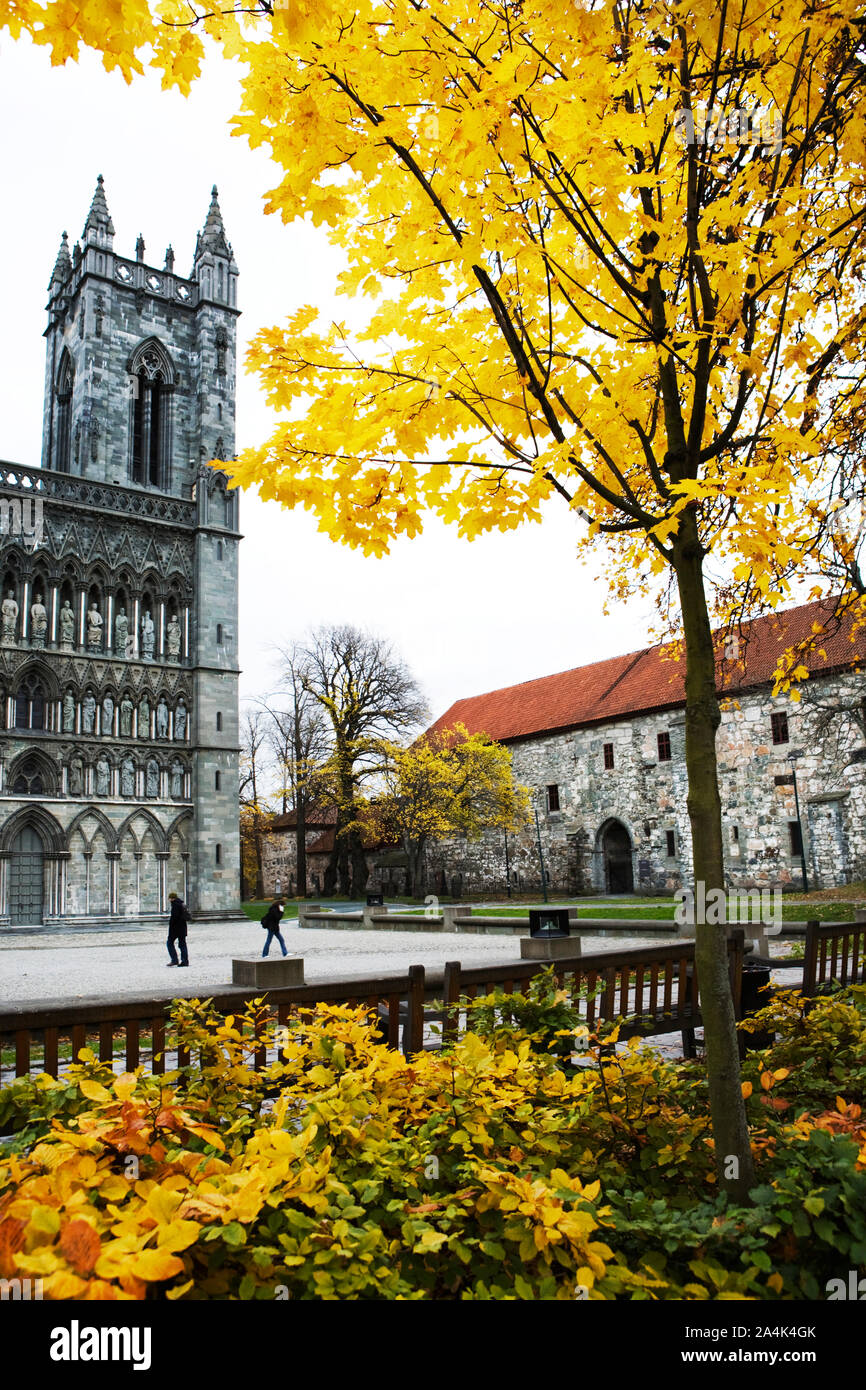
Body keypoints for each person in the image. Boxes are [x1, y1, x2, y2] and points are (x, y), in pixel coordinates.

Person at [166, 890, 190, 967]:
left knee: (169, 943)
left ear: (171, 898)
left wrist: (171, 925)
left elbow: (174, 918)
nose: (169, 900)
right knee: (182, 944)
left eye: (169, 898)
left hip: (175, 929)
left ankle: (174, 960)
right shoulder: (182, 904)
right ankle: (185, 961)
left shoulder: (175, 905)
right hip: (183, 928)